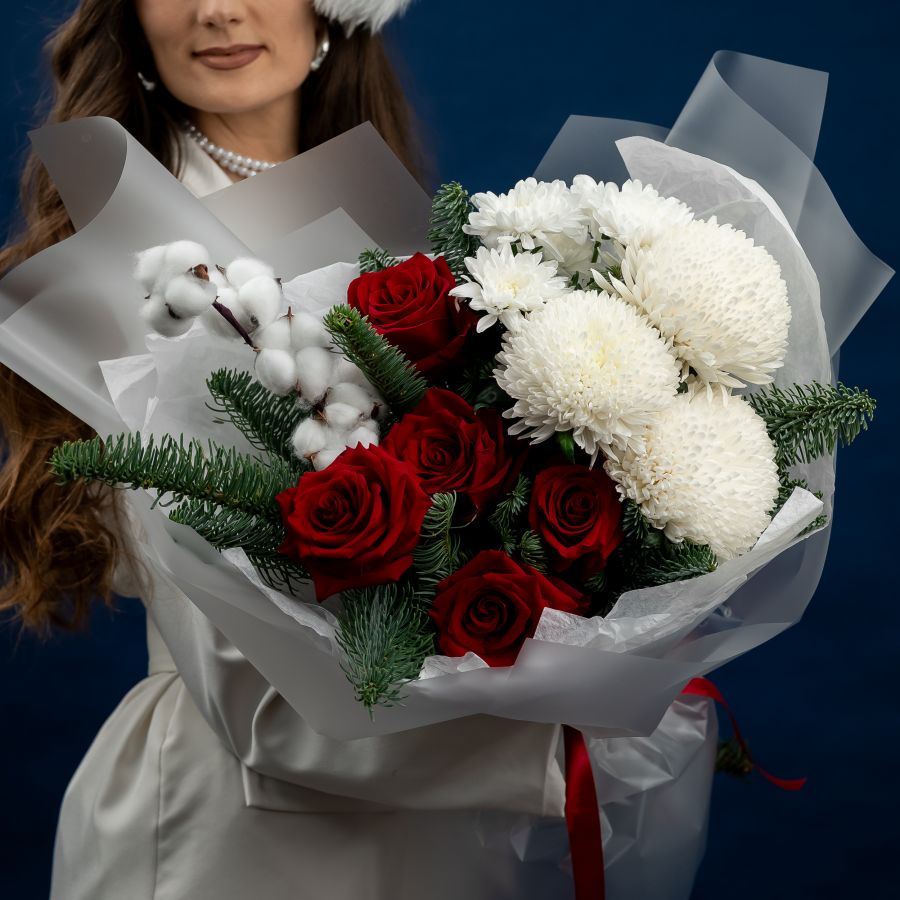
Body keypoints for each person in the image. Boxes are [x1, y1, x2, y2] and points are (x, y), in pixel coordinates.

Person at [0, 2, 573, 898]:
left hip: (433, 832)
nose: (218, 10)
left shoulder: (382, 222)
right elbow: (249, 681)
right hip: (227, 829)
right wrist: (567, 743)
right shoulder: (136, 267)